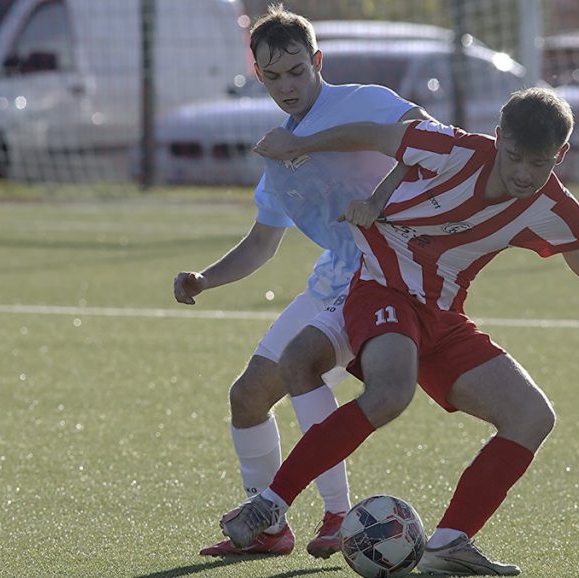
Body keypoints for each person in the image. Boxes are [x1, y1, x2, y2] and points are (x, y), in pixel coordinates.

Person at [221, 88, 579, 575]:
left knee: (532, 416)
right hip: (381, 289)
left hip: (442, 317)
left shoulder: (554, 207)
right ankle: (270, 503)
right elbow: (374, 134)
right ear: (497, 136)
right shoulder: (451, 148)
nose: (525, 173)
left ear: (561, 155)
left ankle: (448, 543)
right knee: (390, 393)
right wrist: (301, 144)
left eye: (540, 162)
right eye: (514, 156)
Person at [171, 4, 430, 559]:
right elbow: (263, 242)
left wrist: (323, 155)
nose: (286, 86)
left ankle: (337, 512)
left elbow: (425, 135)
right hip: (331, 282)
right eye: (273, 76)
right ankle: (269, 529)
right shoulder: (276, 151)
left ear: (317, 61)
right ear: (257, 74)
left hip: (383, 278)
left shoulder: (359, 100)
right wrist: (205, 279)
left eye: (296, 72)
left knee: (302, 367)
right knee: (247, 397)